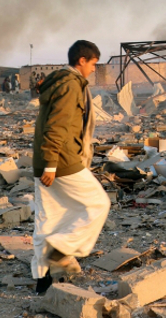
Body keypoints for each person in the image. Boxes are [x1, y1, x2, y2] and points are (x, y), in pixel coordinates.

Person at [31, 40, 109, 294]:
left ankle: (42, 279)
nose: (93, 70)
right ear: (82, 61)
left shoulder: (57, 81)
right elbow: (58, 125)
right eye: (93, 64)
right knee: (99, 204)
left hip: (45, 160)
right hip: (61, 161)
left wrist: (47, 163)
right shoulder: (70, 84)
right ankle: (62, 250)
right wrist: (52, 165)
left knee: (48, 219)